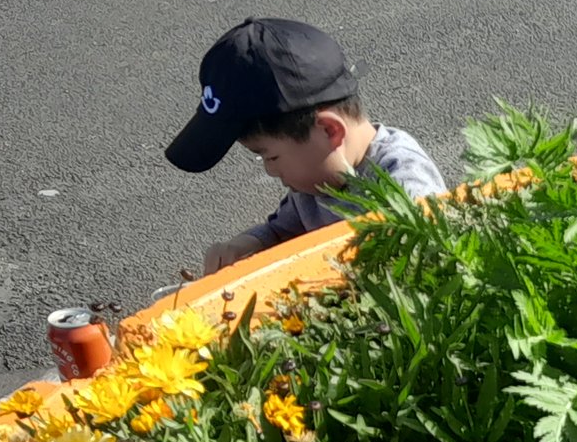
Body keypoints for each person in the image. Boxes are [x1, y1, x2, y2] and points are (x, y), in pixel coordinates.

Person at [166, 18, 446, 278]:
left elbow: (427, 266)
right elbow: (282, 231)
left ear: (329, 130)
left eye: (271, 156)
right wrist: (246, 244)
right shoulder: (316, 182)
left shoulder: (405, 184)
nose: (270, 171)